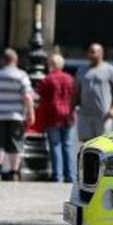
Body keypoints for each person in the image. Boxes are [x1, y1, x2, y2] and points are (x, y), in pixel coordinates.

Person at [0, 48, 35, 182]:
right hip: (16, 115)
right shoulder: (21, 75)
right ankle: (13, 173)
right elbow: (27, 96)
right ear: (15, 60)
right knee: (15, 144)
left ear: (3, 60)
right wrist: (31, 113)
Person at [38, 53, 77, 183]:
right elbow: (75, 96)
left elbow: (42, 97)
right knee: (68, 146)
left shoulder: (47, 79)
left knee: (55, 145)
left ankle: (57, 176)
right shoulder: (70, 79)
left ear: (51, 65)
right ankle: (70, 175)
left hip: (52, 116)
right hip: (68, 115)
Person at [74, 43, 113, 143]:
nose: (90, 55)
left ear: (101, 53)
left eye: (93, 52)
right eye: (89, 52)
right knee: (86, 143)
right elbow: (76, 91)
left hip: (103, 115)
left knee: (102, 143)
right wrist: (73, 107)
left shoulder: (111, 70)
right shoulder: (82, 70)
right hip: (85, 114)